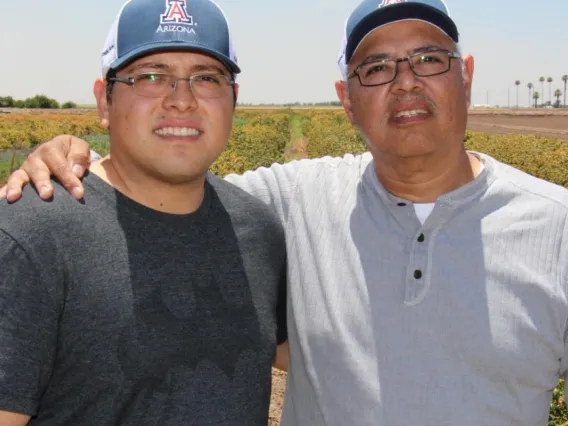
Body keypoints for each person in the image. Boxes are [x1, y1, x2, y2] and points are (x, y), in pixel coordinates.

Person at [3, 0, 568, 425]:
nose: (406, 82)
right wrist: (66, 154)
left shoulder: (558, 228)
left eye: (429, 59)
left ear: (465, 75)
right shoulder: (291, 201)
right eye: (376, 68)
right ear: (346, 97)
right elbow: (156, 180)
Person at [0, 0, 288, 425]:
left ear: (234, 99)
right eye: (151, 76)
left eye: (207, 78)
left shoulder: (257, 228)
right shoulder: (33, 234)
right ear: (104, 101)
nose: (182, 100)